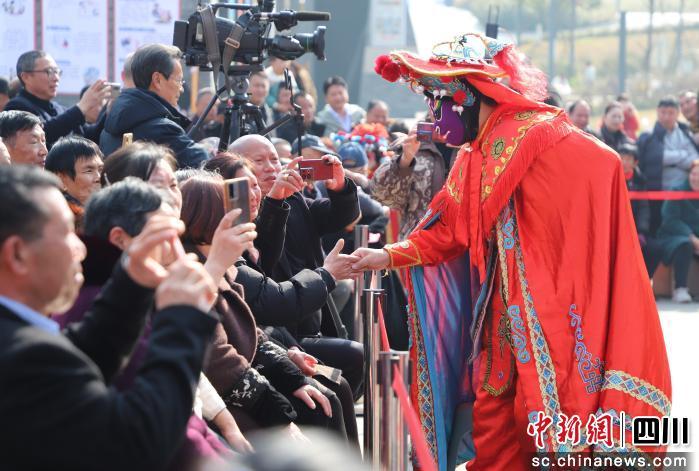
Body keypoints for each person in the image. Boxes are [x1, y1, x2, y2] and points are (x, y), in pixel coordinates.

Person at [360, 33, 671, 470]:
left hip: (553, 313)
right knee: (496, 426)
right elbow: (448, 227)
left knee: (552, 424)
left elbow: (603, 165)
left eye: (438, 99)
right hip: (500, 319)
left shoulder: (538, 135)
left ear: (468, 96)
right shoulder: (474, 153)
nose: (433, 113)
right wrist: (387, 255)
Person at [0, 164, 220, 469]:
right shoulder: (23, 357)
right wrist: (181, 318)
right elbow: (138, 443)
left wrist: (132, 283)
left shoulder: (20, 343)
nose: (81, 248)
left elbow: (80, 355)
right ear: (17, 254)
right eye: (67, 232)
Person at [230, 134, 365, 398]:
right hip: (275, 329)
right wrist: (274, 200)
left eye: (274, 159)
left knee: (343, 377)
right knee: (343, 372)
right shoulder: (238, 214)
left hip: (309, 316)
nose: (270, 167)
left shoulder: (293, 199)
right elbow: (264, 248)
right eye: (259, 161)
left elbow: (338, 216)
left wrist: (339, 187)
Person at [100, 44, 209, 168]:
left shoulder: (110, 120)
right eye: (178, 80)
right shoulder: (162, 129)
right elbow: (202, 162)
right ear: (157, 80)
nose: (181, 88)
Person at [4, 50, 109, 148]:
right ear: (26, 77)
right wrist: (81, 107)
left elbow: (90, 136)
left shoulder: (59, 109)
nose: (56, 78)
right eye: (49, 72)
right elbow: (44, 134)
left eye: (57, 72)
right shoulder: (16, 107)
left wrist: (109, 111)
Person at [638, 96, 699, 235]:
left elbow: (695, 159)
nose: (666, 117)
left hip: (684, 194)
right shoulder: (648, 136)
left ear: (678, 113)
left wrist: (673, 158)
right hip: (658, 192)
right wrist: (683, 155)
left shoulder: (684, 133)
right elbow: (659, 157)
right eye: (663, 112)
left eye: (671, 113)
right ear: (657, 112)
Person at [372, 128, 446, 241]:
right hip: (415, 244)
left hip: (465, 245)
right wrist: (405, 161)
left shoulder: (472, 146)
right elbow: (381, 195)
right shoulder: (414, 142)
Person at [655, 160, 699, 303]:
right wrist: (692, 238)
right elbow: (670, 220)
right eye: (693, 174)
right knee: (685, 244)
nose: (696, 178)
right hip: (673, 236)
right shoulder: (677, 190)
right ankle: (680, 288)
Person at [44, 136, 103, 230]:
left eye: (100, 169)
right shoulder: (55, 225)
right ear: (60, 180)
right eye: (89, 171)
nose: (99, 177)